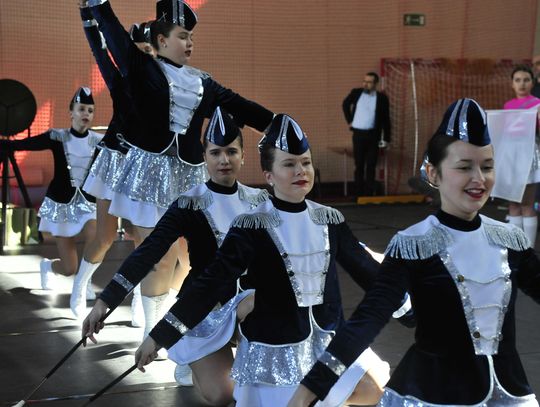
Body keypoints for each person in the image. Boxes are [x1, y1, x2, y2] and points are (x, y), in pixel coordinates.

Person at [122, 114, 416, 407]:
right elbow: (210, 284)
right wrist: (159, 337)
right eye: (289, 164)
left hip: (324, 341)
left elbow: (367, 270)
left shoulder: (329, 219)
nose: (301, 171)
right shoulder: (252, 225)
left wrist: (413, 311)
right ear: (269, 176)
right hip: (274, 351)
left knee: (376, 389)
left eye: (305, 162)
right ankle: (202, 364)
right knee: (228, 394)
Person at [288, 98, 540, 407]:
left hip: (509, 395)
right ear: (433, 173)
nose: (479, 178)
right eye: (464, 167)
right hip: (433, 396)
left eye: (487, 166)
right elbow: (367, 320)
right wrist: (307, 392)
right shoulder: (413, 245)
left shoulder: (510, 240)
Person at [81, 0, 275, 337]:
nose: (189, 43)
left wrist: (279, 126)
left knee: (189, 255)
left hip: (190, 176)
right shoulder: (140, 67)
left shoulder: (203, 82)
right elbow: (111, 34)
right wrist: (95, 7)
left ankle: (178, 323)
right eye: (183, 36)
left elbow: (241, 106)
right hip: (148, 175)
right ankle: (152, 334)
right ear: (161, 40)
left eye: (191, 38)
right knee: (158, 255)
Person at [83, 107, 271, 401]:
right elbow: (148, 252)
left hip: (247, 304)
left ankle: (252, 365)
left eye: (232, 152)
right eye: (216, 153)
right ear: (204, 156)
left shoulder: (260, 201)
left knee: (261, 304)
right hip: (203, 306)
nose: (224, 160)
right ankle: (191, 358)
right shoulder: (189, 203)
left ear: (243, 156)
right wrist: (104, 302)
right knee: (222, 395)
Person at [70, 7, 154, 321]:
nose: (145, 56)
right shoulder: (120, 79)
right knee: (105, 237)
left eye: (149, 50)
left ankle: (141, 302)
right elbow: (99, 49)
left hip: (144, 167)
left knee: (144, 240)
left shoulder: (166, 83)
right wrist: (86, 13)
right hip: (114, 161)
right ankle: (80, 286)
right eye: (139, 51)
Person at [0, 88, 103, 293]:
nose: (86, 114)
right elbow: (25, 144)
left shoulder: (98, 141)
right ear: (71, 112)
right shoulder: (57, 137)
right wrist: (5, 144)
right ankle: (48, 267)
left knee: (96, 234)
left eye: (90, 111)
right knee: (69, 268)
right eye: (81, 109)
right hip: (61, 203)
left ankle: (85, 282)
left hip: (88, 203)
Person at [503, 65, 540, 248]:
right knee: (513, 204)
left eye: (526, 80)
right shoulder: (507, 105)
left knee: (527, 204)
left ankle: (529, 250)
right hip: (511, 156)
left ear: (532, 83)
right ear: (512, 84)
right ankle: (516, 248)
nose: (522, 84)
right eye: (517, 80)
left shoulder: (537, 103)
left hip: (528, 154)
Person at [342, 72, 391, 196]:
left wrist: (387, 139)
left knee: (371, 165)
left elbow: (386, 120)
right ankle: (358, 193)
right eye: (364, 81)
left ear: (375, 84)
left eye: (369, 82)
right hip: (358, 134)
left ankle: (369, 194)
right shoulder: (356, 93)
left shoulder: (382, 98)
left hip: (373, 135)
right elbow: (345, 104)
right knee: (359, 165)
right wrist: (350, 121)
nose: (365, 84)